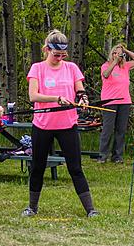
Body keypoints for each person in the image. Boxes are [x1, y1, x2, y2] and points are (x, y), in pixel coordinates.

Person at [21, 30, 99, 218]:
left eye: (63, 55)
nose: (60, 58)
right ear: (47, 50)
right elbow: (33, 95)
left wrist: (83, 98)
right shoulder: (37, 68)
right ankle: (32, 207)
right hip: (43, 125)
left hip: (67, 126)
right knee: (38, 166)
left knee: (75, 168)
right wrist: (56, 98)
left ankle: (91, 210)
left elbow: (80, 89)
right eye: (56, 54)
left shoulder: (71, 68)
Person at [98, 43, 134, 163]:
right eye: (116, 52)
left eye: (120, 53)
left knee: (120, 130)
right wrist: (114, 62)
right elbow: (106, 75)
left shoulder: (125, 67)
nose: (118, 55)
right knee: (108, 129)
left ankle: (117, 156)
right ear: (112, 54)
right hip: (110, 101)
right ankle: (102, 155)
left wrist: (126, 50)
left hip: (125, 101)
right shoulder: (105, 66)